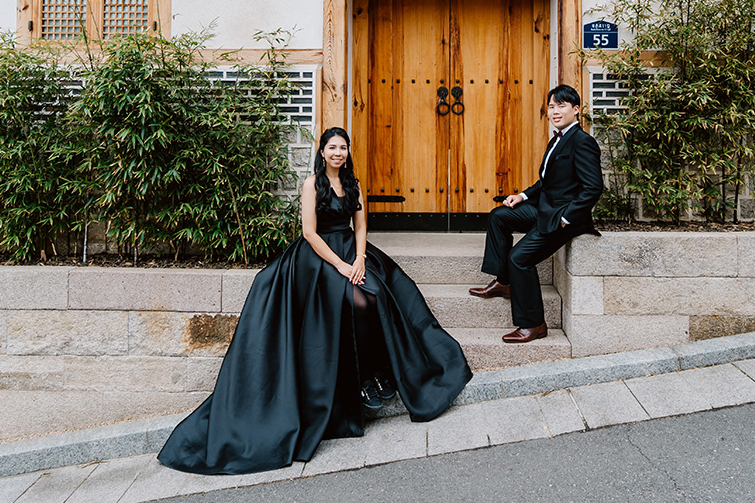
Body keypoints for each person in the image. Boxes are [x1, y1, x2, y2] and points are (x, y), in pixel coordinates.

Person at [158, 127, 472, 476]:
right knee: (356, 302)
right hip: (318, 257)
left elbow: (361, 224)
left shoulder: (353, 183)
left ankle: (378, 375)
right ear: (322, 152)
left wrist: (361, 258)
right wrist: (339, 265)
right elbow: (308, 232)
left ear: (348, 152)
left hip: (351, 252)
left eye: (343, 147)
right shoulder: (312, 184)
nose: (338, 152)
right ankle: (360, 381)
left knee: (380, 296)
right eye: (332, 147)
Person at [469, 85, 603, 343]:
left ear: (576, 110)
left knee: (519, 258)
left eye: (561, 106)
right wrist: (522, 196)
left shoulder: (583, 142)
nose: (555, 111)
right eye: (552, 106)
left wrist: (566, 218)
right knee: (499, 216)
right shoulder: (558, 139)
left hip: (564, 219)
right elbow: (547, 182)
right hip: (545, 208)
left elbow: (593, 188)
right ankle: (504, 282)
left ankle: (533, 325)